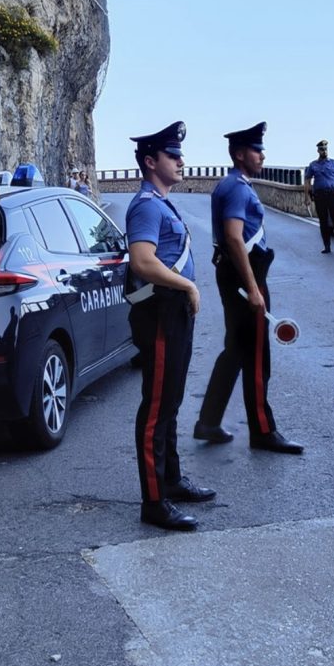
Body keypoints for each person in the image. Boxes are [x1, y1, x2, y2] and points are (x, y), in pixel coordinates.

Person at [125, 120, 215, 531]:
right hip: (160, 311)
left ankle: (172, 480)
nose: (181, 161)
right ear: (150, 161)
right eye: (173, 155)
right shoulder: (145, 205)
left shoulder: (161, 202)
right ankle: (154, 500)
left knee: (172, 400)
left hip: (172, 310)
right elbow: (142, 262)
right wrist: (187, 286)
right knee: (157, 406)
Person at [194, 122, 304, 455]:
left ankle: (208, 421)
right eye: (257, 150)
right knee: (257, 357)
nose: (262, 155)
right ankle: (263, 431)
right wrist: (254, 288)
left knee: (235, 352)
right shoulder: (238, 188)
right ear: (241, 154)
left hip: (234, 276)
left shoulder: (231, 184)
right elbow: (233, 236)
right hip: (246, 277)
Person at [304, 139, 334, 253]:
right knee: (323, 222)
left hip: (332, 195)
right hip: (319, 196)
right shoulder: (313, 165)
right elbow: (307, 181)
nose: (324, 151)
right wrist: (307, 197)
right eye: (322, 149)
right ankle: (327, 246)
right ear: (318, 151)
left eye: (326, 149)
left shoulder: (333, 163)